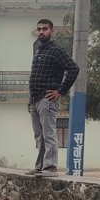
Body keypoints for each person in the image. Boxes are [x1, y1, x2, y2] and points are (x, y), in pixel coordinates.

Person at [28, 18, 79, 177]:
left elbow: (73, 69)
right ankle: (41, 166)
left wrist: (60, 91)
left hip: (47, 99)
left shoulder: (57, 51)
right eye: (39, 29)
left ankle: (51, 168)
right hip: (36, 99)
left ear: (51, 30)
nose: (41, 32)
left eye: (45, 29)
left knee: (49, 133)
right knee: (39, 135)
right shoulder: (39, 52)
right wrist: (31, 101)